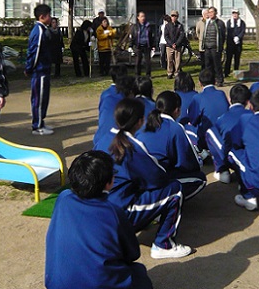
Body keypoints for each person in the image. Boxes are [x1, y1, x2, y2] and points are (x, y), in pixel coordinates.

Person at [45, 150, 154, 289]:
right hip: (99, 284)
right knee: (139, 274)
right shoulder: (113, 212)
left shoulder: (63, 198)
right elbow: (132, 253)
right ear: (108, 183)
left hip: (56, 284)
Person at [106, 99, 191, 260]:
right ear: (140, 121)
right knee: (175, 190)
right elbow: (157, 178)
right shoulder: (131, 147)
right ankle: (164, 244)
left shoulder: (103, 138)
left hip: (101, 210)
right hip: (121, 212)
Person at [137, 91, 207, 200]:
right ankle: (170, 201)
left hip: (138, 177)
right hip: (156, 177)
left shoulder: (144, 124)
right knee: (200, 179)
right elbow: (188, 163)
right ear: (177, 110)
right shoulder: (175, 128)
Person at [206, 83, 252, 184]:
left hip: (232, 157)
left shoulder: (222, 119)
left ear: (229, 99)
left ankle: (222, 169)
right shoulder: (252, 116)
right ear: (248, 101)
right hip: (251, 157)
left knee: (211, 132)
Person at [25, 4, 53, 136]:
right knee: (39, 99)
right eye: (49, 15)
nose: (51, 17)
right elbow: (34, 52)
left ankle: (41, 121)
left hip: (44, 70)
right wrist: (29, 68)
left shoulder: (43, 29)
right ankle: (37, 126)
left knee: (43, 98)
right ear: (42, 17)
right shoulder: (39, 31)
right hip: (39, 71)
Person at [187, 68, 230, 155]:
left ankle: (199, 151)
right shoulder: (221, 94)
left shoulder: (198, 97)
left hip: (207, 139)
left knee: (187, 127)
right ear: (215, 81)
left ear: (199, 83)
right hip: (224, 136)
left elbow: (193, 120)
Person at [201, 6, 226, 86]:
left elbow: (223, 36)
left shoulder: (220, 23)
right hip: (207, 47)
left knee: (217, 65)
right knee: (208, 66)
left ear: (215, 13)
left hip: (215, 48)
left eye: (212, 12)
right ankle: (210, 80)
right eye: (209, 12)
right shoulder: (207, 23)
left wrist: (220, 46)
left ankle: (220, 80)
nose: (210, 14)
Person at [130, 11, 156, 77]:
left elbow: (152, 37)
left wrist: (153, 46)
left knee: (148, 61)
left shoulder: (148, 26)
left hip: (147, 46)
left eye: (144, 16)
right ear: (138, 17)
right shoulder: (135, 27)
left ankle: (148, 75)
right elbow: (132, 37)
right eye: (141, 16)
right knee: (138, 61)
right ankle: (137, 75)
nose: (143, 18)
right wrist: (130, 46)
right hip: (138, 46)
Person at [224, 9, 245, 77]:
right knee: (228, 59)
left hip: (238, 44)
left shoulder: (242, 22)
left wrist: (238, 37)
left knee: (237, 59)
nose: (235, 15)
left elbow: (243, 31)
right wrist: (233, 37)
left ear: (238, 14)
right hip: (230, 43)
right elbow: (229, 31)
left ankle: (236, 72)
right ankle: (226, 72)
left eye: (236, 13)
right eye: (233, 13)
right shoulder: (229, 22)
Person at [164, 10, 185, 79]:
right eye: (172, 16)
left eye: (175, 16)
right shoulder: (167, 26)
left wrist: (176, 43)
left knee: (177, 60)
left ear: (177, 17)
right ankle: (170, 73)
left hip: (178, 46)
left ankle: (177, 72)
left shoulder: (180, 26)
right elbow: (166, 36)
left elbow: (181, 35)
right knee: (169, 60)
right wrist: (171, 44)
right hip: (169, 46)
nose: (173, 17)